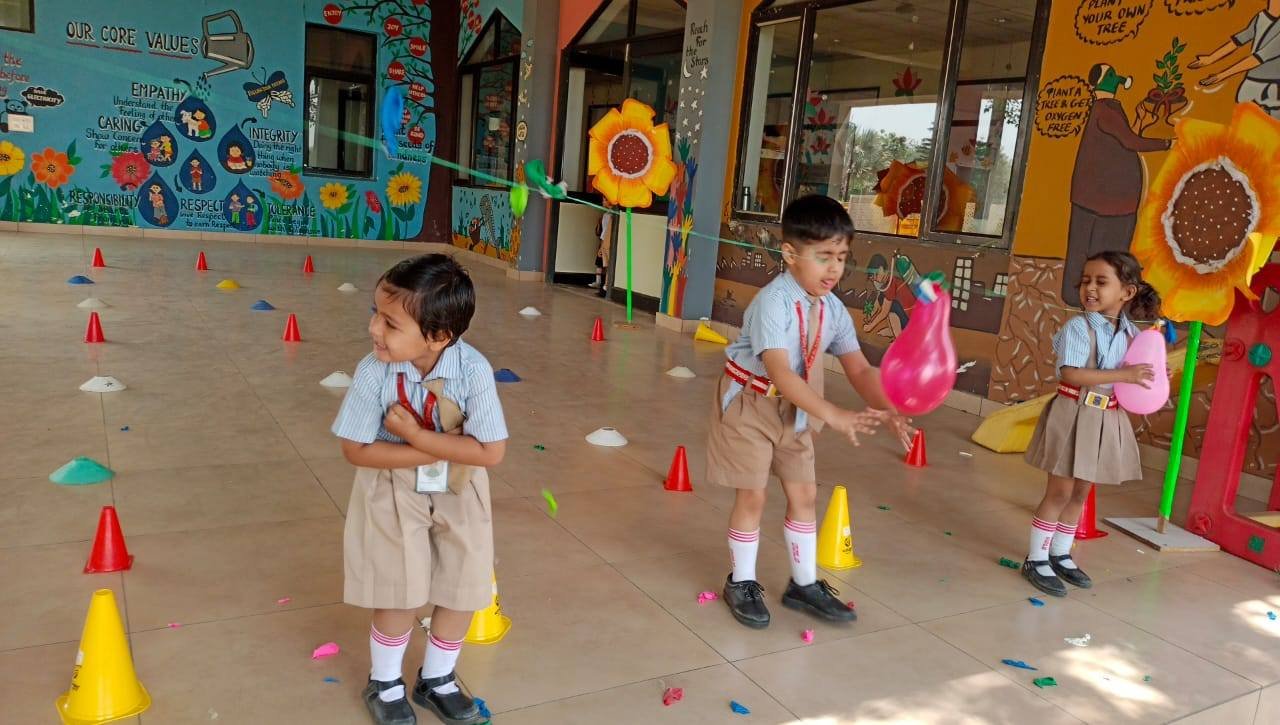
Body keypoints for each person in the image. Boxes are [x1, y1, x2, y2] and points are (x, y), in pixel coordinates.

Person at [706, 194, 912, 629]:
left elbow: (859, 368)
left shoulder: (832, 308)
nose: (834, 269)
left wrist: (889, 407)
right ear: (790, 253)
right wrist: (834, 414)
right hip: (749, 404)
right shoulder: (773, 302)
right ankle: (741, 582)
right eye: (823, 257)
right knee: (753, 495)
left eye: (841, 257)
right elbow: (780, 372)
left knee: (804, 495)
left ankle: (802, 584)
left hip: (795, 411)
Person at [332, 254, 507, 725]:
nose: (374, 329)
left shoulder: (473, 370)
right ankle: (385, 682)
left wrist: (415, 436)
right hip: (393, 484)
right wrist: (434, 450)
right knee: (399, 588)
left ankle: (438, 679)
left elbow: (490, 452)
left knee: (462, 584)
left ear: (439, 335)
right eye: (376, 313)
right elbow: (356, 449)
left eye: (390, 323)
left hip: (461, 485)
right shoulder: (374, 371)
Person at [1021, 251, 1161, 597]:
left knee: (1082, 492)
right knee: (1060, 491)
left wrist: (1148, 376)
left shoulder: (1131, 335)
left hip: (1104, 418)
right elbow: (1071, 373)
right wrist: (1125, 374)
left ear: (1127, 292)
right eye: (1086, 281)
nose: (1090, 289)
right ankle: (1036, 559)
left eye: (1101, 282)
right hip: (1072, 413)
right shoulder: (1078, 327)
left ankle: (1060, 554)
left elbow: (1131, 379)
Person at [1064, 63, 1172, 307]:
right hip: (1109, 203)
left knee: (1085, 251)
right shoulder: (1106, 110)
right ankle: (1092, 300)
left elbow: (1120, 144)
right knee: (1106, 257)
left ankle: (1081, 297)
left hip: (1096, 198)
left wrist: (1140, 123)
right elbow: (1129, 141)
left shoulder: (1105, 109)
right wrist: (1168, 143)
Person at [1191, 0, 1280, 118]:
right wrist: (1210, 59)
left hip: (1272, 86)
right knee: (1245, 117)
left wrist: (1221, 75)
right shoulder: (1261, 16)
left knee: (1271, 124)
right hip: (1251, 82)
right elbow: (1239, 39)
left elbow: (1259, 58)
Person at [590, 207, 612, 298]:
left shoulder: (609, 216)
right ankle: (601, 284)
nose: (603, 202)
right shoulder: (606, 215)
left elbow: (605, 232)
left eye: (605, 200)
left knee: (605, 264)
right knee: (603, 263)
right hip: (605, 241)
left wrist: (601, 246)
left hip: (606, 242)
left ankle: (603, 285)